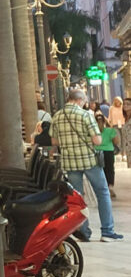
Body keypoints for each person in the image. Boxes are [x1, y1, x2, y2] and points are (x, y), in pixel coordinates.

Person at [50, 87, 122, 242]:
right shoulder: (85, 115)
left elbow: (54, 141)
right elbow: (97, 140)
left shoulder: (57, 116)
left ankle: (84, 232)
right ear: (78, 100)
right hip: (89, 161)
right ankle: (107, 232)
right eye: (83, 101)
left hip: (70, 162)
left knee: (78, 198)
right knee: (102, 193)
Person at [95, 110, 120, 198]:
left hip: (97, 152)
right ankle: (110, 187)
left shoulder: (93, 131)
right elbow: (116, 141)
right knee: (110, 169)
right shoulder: (110, 130)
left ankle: (102, 187)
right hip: (108, 151)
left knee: (99, 170)